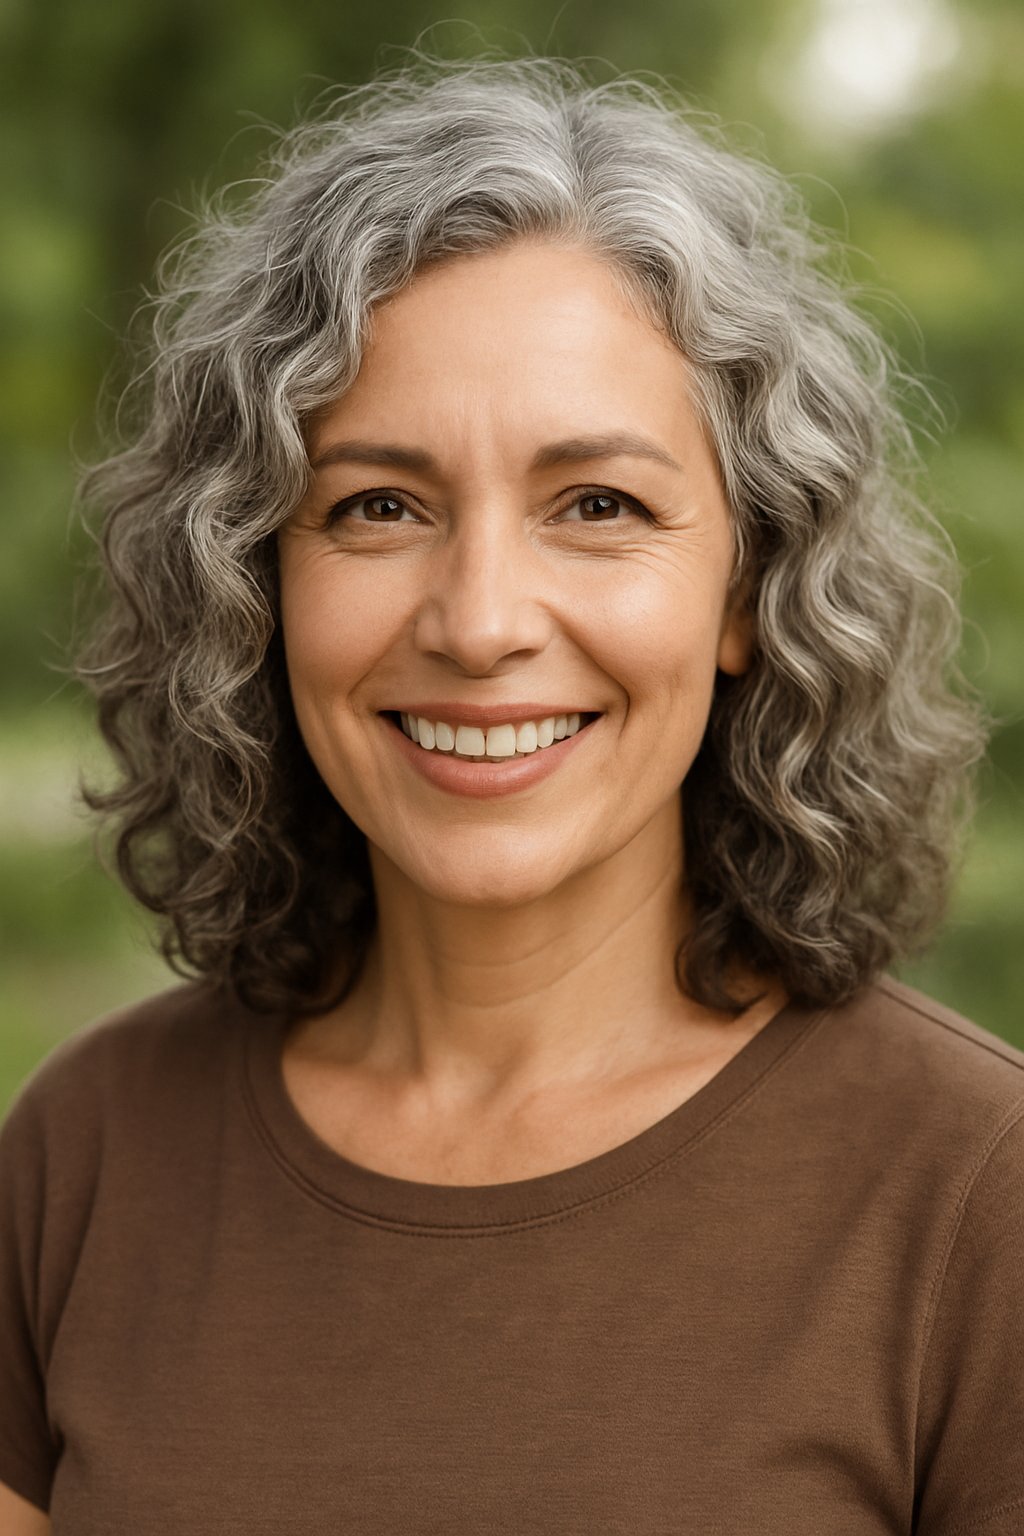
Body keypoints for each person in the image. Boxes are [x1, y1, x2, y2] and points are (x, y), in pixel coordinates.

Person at [1, 52, 1020, 1536]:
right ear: (255, 586)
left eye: (596, 506)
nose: (480, 621)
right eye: (378, 506)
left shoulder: (975, 1198)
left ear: (748, 586)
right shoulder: (82, 1156)